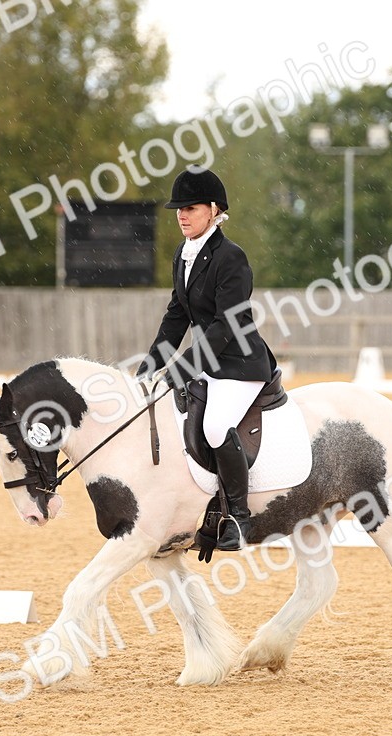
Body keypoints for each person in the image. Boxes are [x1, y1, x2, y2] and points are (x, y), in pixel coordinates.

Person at [137, 166, 277, 552]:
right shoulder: (184, 252)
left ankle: (237, 519)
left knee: (215, 427)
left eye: (191, 208)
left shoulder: (231, 257)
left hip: (239, 364)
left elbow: (223, 326)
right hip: (208, 362)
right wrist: (150, 367)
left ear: (214, 210)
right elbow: (176, 316)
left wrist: (180, 368)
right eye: (179, 209)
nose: (182, 215)